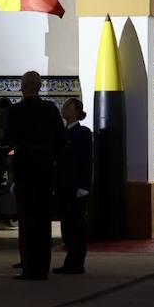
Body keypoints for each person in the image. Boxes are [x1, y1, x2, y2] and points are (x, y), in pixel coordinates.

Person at [5, 71, 65, 280]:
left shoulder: (15, 111)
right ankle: (42, 267)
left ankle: (29, 267)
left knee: (27, 222)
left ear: (22, 87)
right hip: (45, 173)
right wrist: (48, 157)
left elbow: (8, 144)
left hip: (24, 173)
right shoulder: (50, 109)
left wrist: (13, 160)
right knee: (42, 221)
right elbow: (61, 141)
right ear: (39, 87)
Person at [53, 97, 93, 274]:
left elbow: (86, 160)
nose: (64, 108)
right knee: (67, 226)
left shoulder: (82, 132)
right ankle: (70, 261)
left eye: (68, 106)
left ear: (77, 111)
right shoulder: (62, 133)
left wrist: (83, 185)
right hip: (63, 186)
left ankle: (76, 263)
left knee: (77, 226)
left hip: (75, 186)